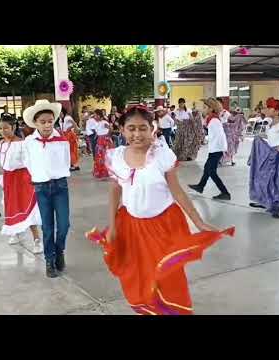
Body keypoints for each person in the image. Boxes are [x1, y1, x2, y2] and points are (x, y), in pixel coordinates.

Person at [87, 106, 233, 315]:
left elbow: (178, 192)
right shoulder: (117, 157)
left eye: (143, 128)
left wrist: (199, 222)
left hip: (164, 226)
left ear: (152, 129)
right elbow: (115, 191)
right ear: (121, 129)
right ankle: (149, 310)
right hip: (131, 227)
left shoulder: (162, 155)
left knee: (168, 275)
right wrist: (112, 225)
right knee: (137, 274)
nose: (137, 134)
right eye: (131, 128)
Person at [22, 99, 71, 278]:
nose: (47, 125)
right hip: (41, 187)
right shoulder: (29, 142)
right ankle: (49, 260)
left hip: (60, 185)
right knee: (48, 227)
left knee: (64, 224)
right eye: (42, 122)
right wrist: (37, 177)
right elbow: (27, 162)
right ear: (35, 123)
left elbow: (67, 161)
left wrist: (58, 174)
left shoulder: (61, 140)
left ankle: (60, 251)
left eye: (50, 121)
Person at [0, 116, 43, 251]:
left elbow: (29, 161)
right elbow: (1, 162)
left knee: (27, 206)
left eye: (6, 128)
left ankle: (37, 239)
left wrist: (33, 178)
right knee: (11, 205)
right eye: (0, 128)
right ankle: (15, 232)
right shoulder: (0, 145)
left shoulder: (22, 143)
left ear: (13, 127)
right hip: (8, 178)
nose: (3, 131)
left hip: (22, 178)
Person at [188, 98, 231, 201]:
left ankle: (225, 193)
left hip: (216, 149)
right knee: (207, 168)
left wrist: (218, 148)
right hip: (215, 148)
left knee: (211, 171)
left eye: (205, 107)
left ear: (211, 108)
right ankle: (200, 186)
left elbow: (219, 136)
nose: (203, 109)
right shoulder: (211, 118)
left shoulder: (214, 120)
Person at [93, 110, 113, 179]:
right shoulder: (98, 123)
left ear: (99, 115)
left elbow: (110, 128)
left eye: (95, 115)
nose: (94, 117)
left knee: (104, 156)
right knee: (99, 156)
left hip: (104, 140)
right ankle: (100, 173)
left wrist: (107, 135)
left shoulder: (104, 122)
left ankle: (105, 173)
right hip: (99, 140)